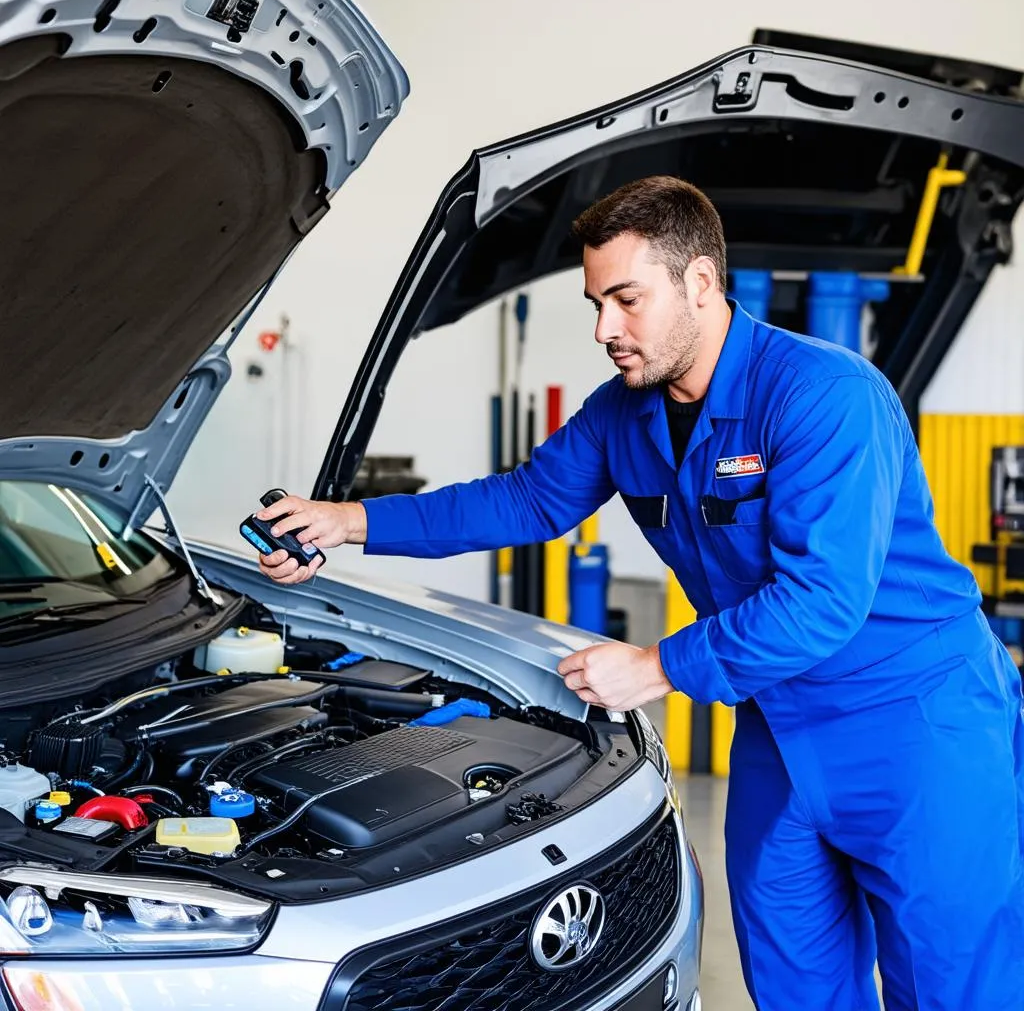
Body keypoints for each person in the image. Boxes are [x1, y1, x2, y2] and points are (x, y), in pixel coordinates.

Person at [253, 176, 1024, 1011]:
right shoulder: (624, 413)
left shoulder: (824, 396)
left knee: (954, 985)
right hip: (778, 729)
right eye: (595, 303)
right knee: (796, 981)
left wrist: (654, 666)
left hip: (917, 725)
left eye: (626, 298)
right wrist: (349, 520)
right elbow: (526, 500)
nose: (604, 330)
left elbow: (822, 602)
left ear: (699, 282)